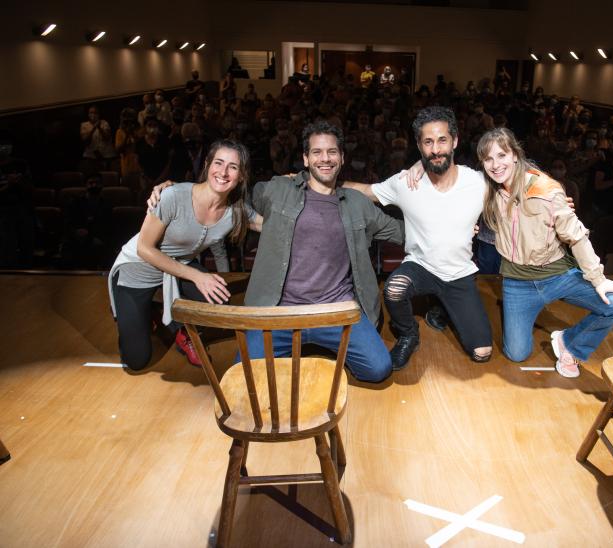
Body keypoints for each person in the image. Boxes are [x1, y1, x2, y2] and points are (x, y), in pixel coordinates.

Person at [243, 121, 404, 383]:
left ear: (342, 157)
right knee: (248, 377)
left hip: (336, 309)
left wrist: (453, 224)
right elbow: (234, 198)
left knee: (378, 369)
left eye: (332, 152)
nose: (325, 159)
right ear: (305, 159)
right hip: (281, 312)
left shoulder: (357, 204)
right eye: (316, 152)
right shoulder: (277, 190)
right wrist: (175, 191)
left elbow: (401, 232)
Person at [344, 106, 493, 369]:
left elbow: (514, 182)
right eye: (428, 142)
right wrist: (321, 182)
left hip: (459, 274)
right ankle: (408, 334)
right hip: (421, 267)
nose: (436, 149)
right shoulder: (407, 183)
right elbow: (366, 191)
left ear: (455, 141)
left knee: (482, 353)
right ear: (419, 146)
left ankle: (443, 307)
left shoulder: (478, 183)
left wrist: (553, 196)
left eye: (442, 140)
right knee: (393, 289)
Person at [477, 127, 613, 377]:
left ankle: (570, 344)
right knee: (516, 354)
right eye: (488, 159)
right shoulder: (487, 189)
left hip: (559, 276)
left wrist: (599, 280)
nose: (495, 165)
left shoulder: (547, 190)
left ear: (515, 155)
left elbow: (577, 236)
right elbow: (451, 184)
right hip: (518, 284)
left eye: (502, 155)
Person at [109, 140, 261, 371]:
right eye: (218, 163)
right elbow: (144, 249)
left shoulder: (237, 209)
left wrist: (295, 184)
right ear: (207, 165)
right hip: (138, 269)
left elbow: (272, 226)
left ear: (241, 175)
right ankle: (151, 311)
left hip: (177, 268)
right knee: (136, 360)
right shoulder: (172, 196)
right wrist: (198, 276)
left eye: (233, 166)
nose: (223, 172)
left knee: (218, 301)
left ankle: (180, 330)